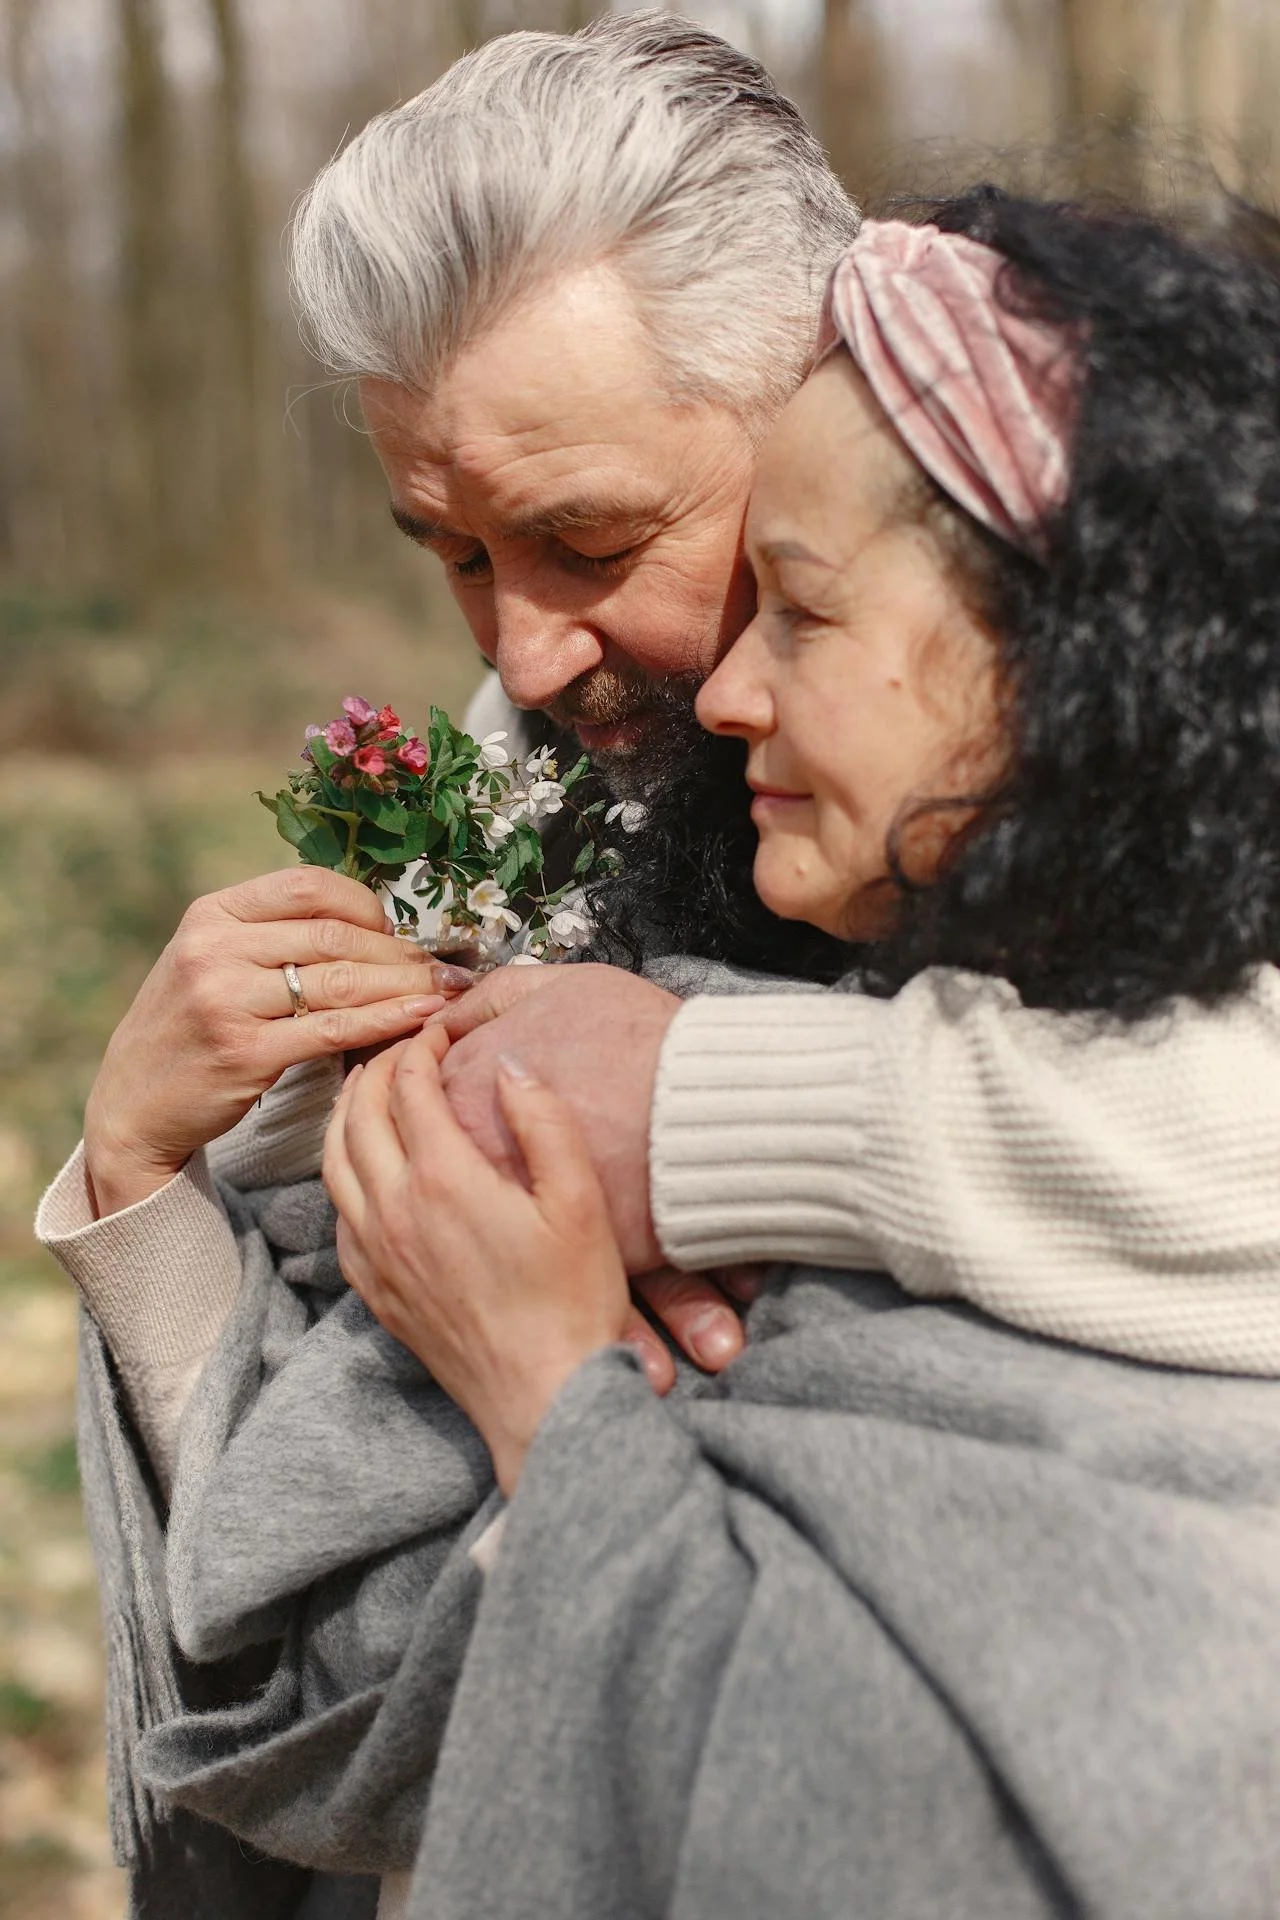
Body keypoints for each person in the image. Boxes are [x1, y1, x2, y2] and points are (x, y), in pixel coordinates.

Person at [33, 13, 1280, 1915]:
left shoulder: (1137, 832)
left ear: (818, 402)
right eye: (450, 550)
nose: (523, 659)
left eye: (589, 537)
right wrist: (150, 1190)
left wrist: (690, 1105)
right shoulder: (551, 785)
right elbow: (346, 1619)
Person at [324, 197, 1280, 1919]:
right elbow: (329, 1686)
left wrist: (557, 1397)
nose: (726, 694)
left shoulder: (1159, 1294)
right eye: (454, 555)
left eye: (805, 609)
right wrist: (154, 1187)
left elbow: (883, 1822)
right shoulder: (617, 831)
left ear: (1078, 662)